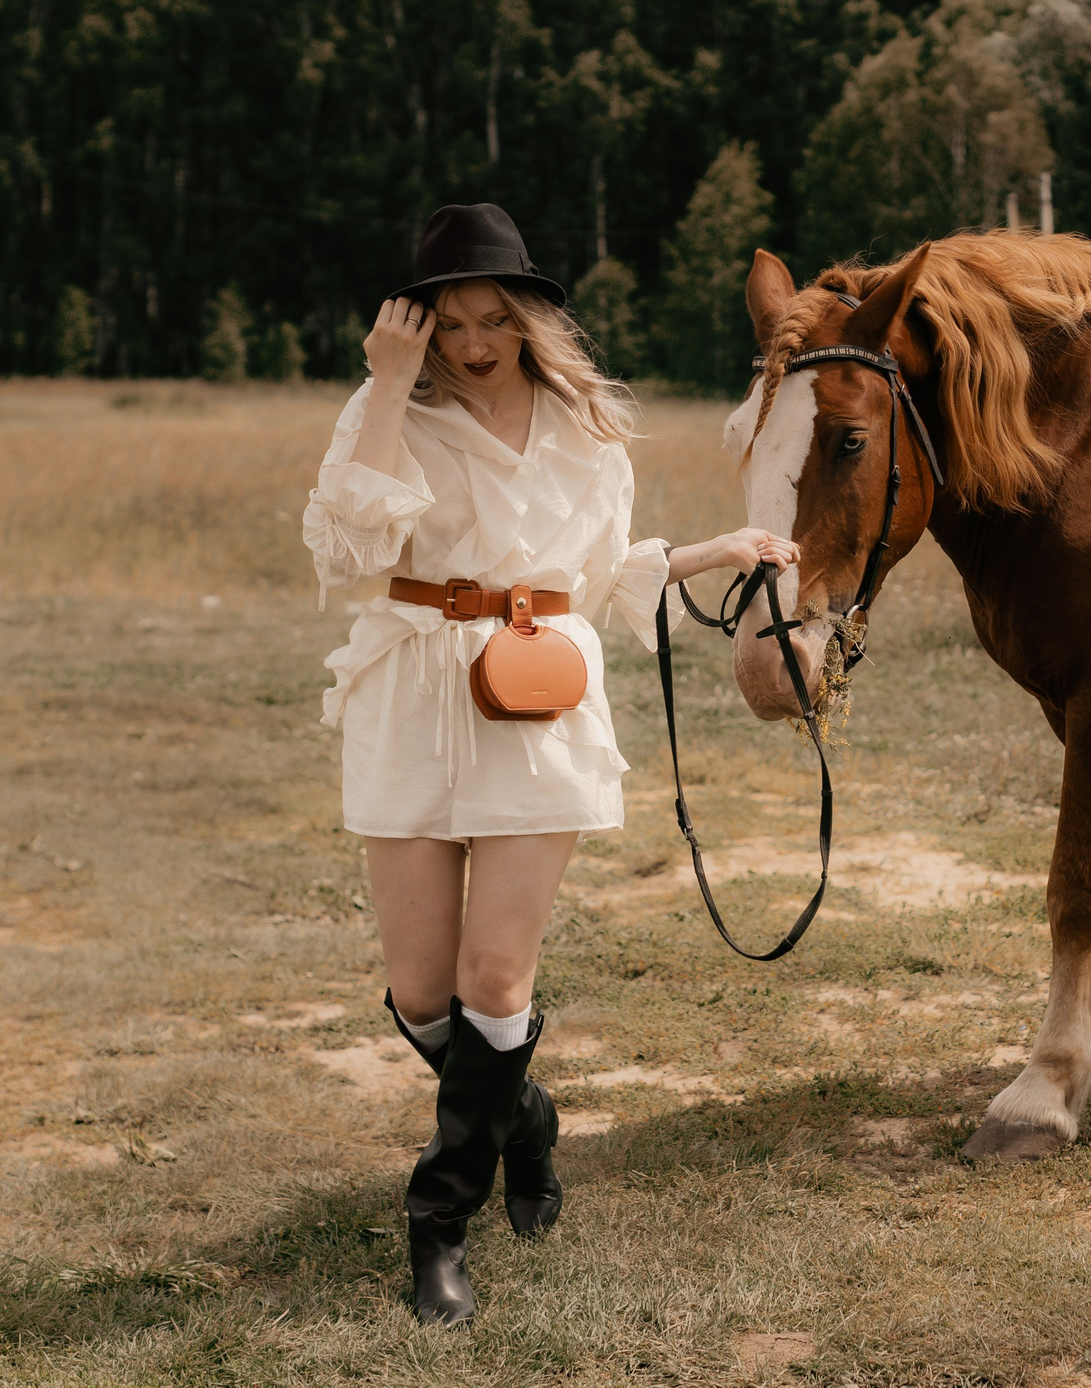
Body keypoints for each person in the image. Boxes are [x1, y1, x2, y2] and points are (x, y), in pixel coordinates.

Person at [301, 203, 795, 1328]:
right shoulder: (390, 412)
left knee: (492, 983)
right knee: (425, 995)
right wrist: (384, 387)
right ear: (415, 328)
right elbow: (348, 553)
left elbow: (594, 572)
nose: (474, 343)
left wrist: (711, 552)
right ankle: (522, 1118)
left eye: (493, 320)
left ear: (528, 319)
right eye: (449, 324)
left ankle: (439, 1223)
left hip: (538, 696)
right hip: (411, 694)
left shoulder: (588, 431)